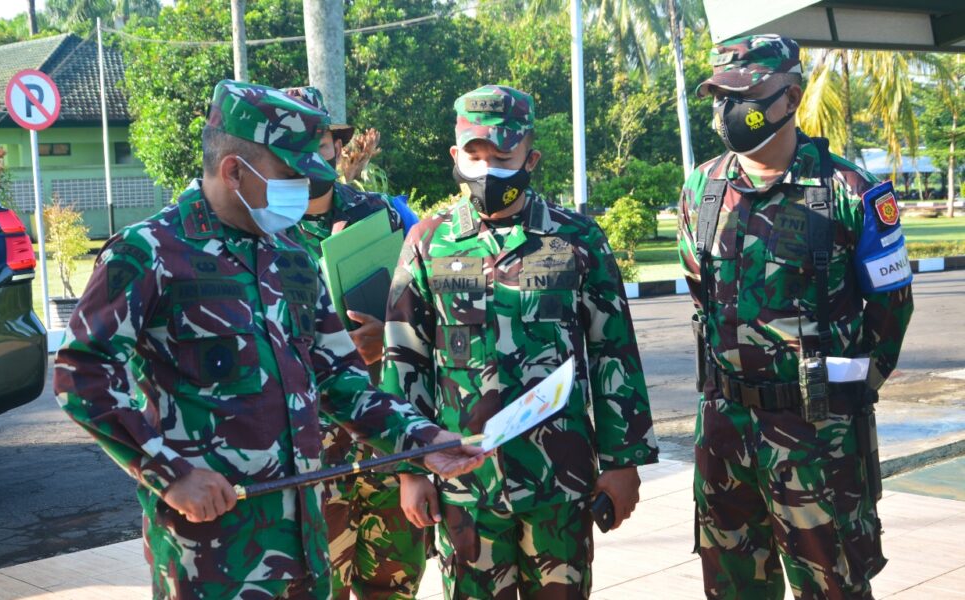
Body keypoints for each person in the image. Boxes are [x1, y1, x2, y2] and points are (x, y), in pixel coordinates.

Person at [53, 80, 486, 600]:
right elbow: (81, 374)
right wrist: (168, 474)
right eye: (290, 176)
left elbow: (339, 379)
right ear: (234, 170)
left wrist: (422, 442)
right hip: (211, 555)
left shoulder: (291, 256)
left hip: (304, 543)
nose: (303, 192)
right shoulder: (151, 252)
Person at [382, 84, 659, 599]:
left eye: (503, 156)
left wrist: (624, 463)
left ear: (530, 157)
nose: (488, 169)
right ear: (455, 156)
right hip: (466, 486)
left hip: (561, 479)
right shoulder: (427, 241)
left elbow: (613, 353)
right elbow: (405, 358)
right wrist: (407, 470)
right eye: (475, 155)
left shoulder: (577, 239)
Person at [679, 34, 914, 599]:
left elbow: (891, 310)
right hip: (724, 435)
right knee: (733, 590)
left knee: (833, 587)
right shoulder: (701, 187)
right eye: (721, 95)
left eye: (749, 93)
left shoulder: (849, 191)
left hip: (817, 440)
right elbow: (700, 296)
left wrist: (836, 396)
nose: (733, 109)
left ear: (793, 95)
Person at [281, 85, 426, 600]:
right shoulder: (263, 229)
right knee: (322, 583)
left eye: (318, 141)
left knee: (394, 581)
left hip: (386, 432)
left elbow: (424, 313)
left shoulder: (383, 214)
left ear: (337, 147)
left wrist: (383, 338)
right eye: (292, 143)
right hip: (311, 447)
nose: (309, 156)